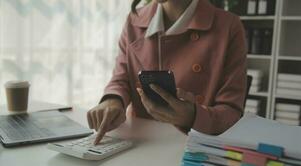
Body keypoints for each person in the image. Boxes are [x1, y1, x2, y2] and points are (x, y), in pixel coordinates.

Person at [87, 0, 247, 145]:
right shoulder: (133, 20)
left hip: (193, 150)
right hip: (138, 142)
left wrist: (192, 116)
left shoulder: (228, 26)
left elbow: (231, 113)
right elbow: (121, 79)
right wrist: (113, 100)